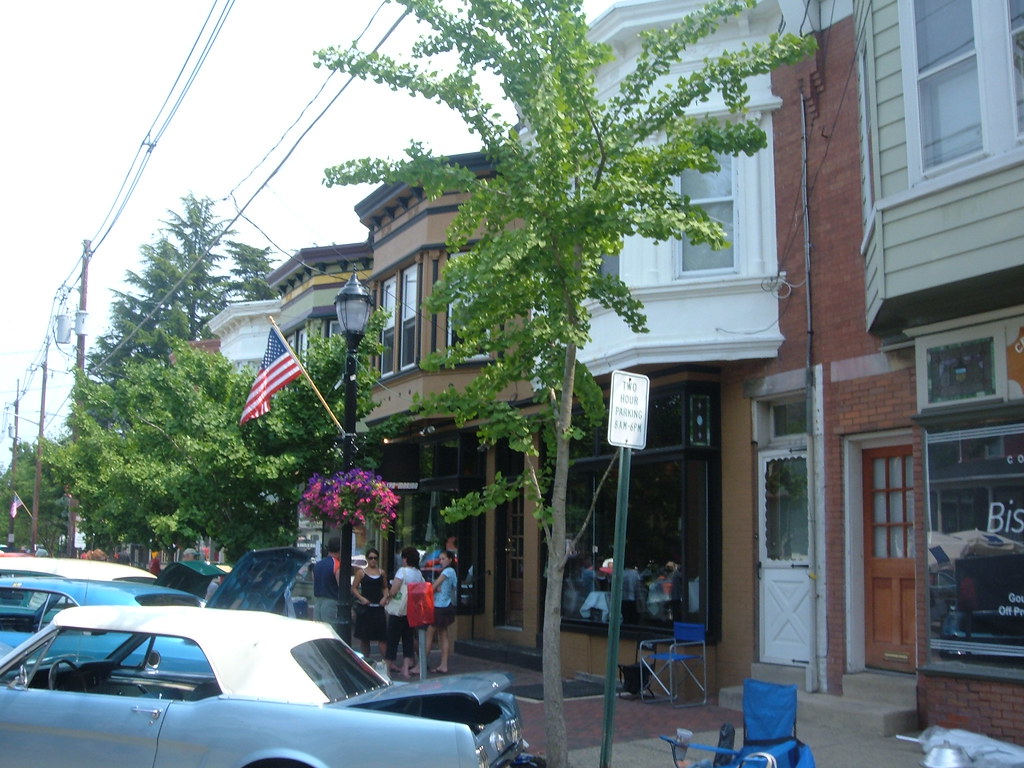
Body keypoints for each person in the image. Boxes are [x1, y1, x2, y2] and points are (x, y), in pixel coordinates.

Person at [384, 546, 424, 679]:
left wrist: (387, 596)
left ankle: (387, 669)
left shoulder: (402, 571)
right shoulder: (418, 574)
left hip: (398, 611)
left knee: (392, 639)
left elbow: (394, 590)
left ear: (405, 559)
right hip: (411, 610)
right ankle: (406, 669)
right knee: (408, 639)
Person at [352, 547, 388, 659]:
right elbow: (354, 588)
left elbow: (385, 587)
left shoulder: (381, 572)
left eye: (375, 558)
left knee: (382, 638)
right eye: (371, 558)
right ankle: (366, 660)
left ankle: (387, 663)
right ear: (367, 559)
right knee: (365, 638)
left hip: (378, 608)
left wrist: (385, 597)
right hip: (366, 608)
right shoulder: (361, 573)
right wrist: (361, 598)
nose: (373, 560)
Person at [425, 550, 457, 674]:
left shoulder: (447, 571)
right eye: (440, 559)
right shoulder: (452, 572)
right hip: (446, 605)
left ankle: (422, 663)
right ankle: (443, 664)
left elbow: (432, 587)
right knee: (443, 634)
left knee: (430, 633)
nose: (441, 561)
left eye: (443, 559)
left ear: (450, 559)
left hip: (440, 606)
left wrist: (435, 587)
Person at [312, 537, 341, 630]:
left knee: (319, 633)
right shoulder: (337, 564)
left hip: (318, 603)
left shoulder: (318, 565)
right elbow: (341, 586)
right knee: (331, 632)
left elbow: (314, 581)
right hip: (331, 603)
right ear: (340, 549)